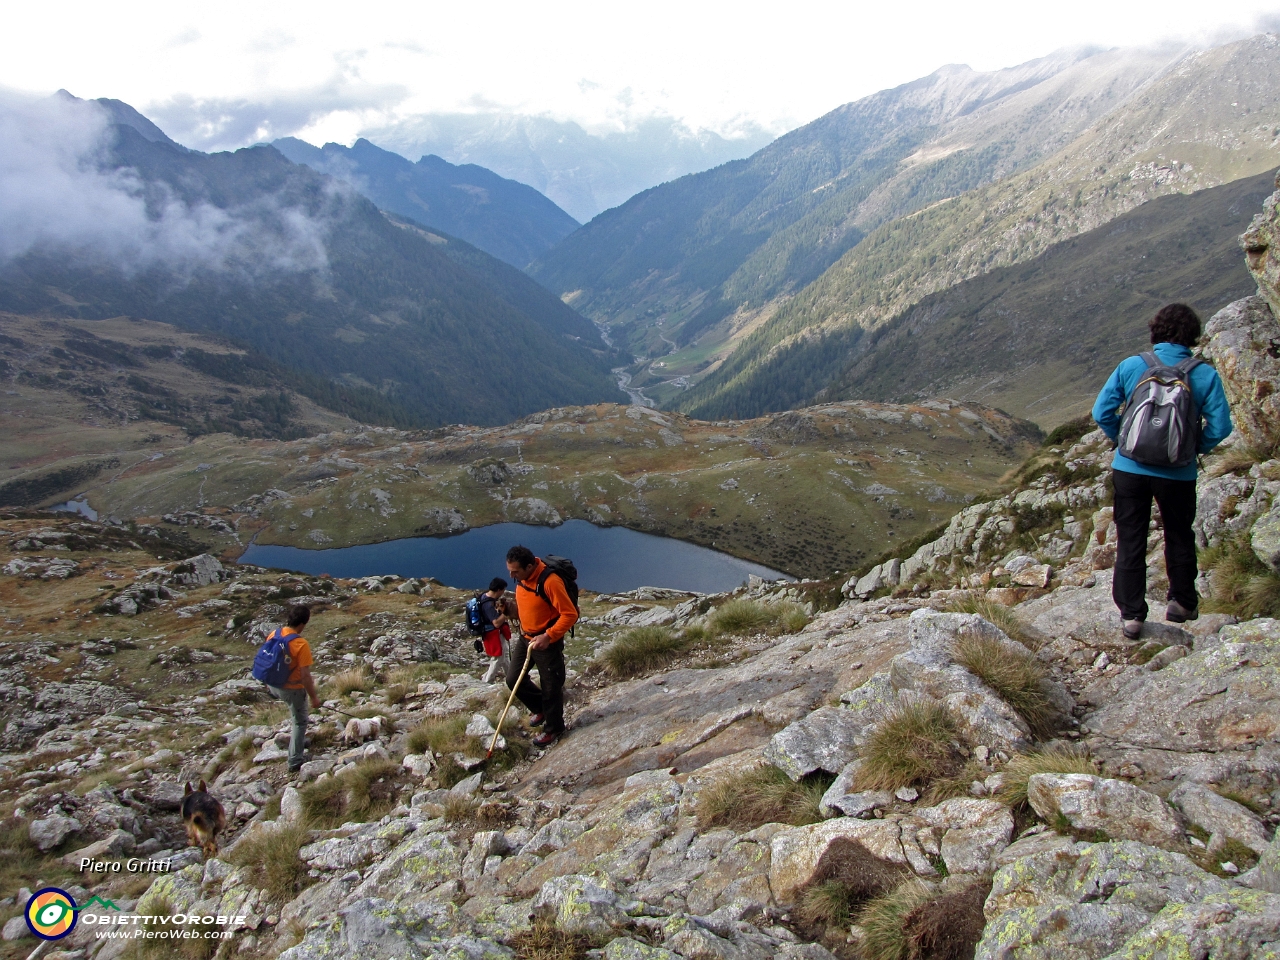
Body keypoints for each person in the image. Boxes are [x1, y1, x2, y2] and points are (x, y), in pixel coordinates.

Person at [1092, 303, 1233, 640]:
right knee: (1179, 534)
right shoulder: (1203, 374)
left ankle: (1131, 616)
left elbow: (1102, 411)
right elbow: (1222, 426)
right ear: (1192, 337)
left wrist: (1122, 440)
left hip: (1130, 469)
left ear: (1155, 331)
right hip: (1179, 473)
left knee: (1131, 539)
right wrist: (1194, 447)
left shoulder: (1132, 366)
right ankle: (1182, 603)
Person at [505, 545, 578, 747]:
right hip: (525, 637)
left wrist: (549, 636)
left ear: (529, 566)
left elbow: (570, 615)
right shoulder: (522, 577)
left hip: (546, 641)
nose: (511, 575)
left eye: (515, 571)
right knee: (513, 680)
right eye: (509, 570)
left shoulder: (550, 581)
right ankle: (542, 708)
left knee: (551, 687)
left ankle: (554, 728)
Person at [265, 604, 323, 772]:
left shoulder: (273, 634)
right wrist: (314, 698)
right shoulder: (300, 644)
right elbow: (305, 676)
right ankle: (295, 760)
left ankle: (294, 743)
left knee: (294, 712)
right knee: (300, 721)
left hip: (272, 685)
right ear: (303, 624)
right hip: (290, 689)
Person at [479, 577, 513, 684]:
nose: (503, 593)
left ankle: (512, 677)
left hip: (493, 634)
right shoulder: (488, 605)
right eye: (502, 590)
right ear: (498, 590)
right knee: (498, 658)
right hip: (494, 634)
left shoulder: (484, 597)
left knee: (505, 655)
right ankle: (487, 681)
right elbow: (497, 623)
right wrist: (506, 613)